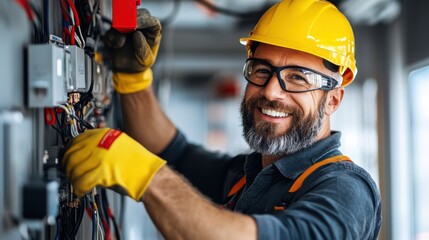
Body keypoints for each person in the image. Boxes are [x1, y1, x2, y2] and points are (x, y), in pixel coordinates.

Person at [63, 0, 382, 239]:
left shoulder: (347, 190)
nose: (271, 91)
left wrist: (146, 175)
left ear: (334, 99)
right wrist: (134, 81)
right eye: (262, 70)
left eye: (298, 78)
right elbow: (174, 153)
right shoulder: (249, 175)